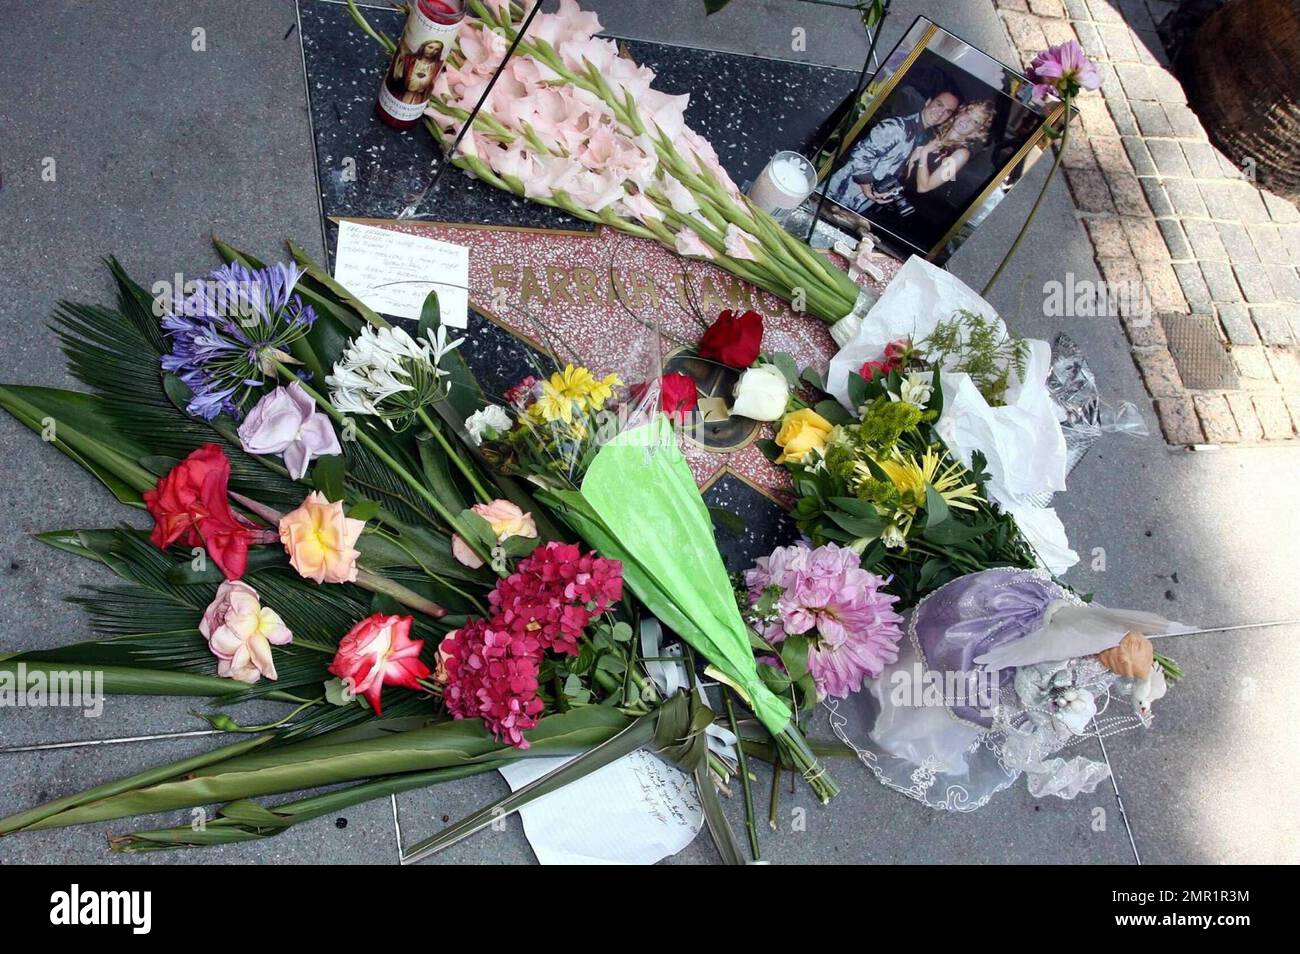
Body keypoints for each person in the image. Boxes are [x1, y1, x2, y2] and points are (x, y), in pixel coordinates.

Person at [825, 88, 960, 213]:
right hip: (838, 193)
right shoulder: (898, 127)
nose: (941, 113)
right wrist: (868, 190)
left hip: (858, 203)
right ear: (928, 102)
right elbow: (861, 155)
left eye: (948, 111)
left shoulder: (922, 138)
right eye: (939, 104)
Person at [902, 99, 995, 200]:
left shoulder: (961, 154)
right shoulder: (936, 133)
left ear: (977, 131)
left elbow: (924, 187)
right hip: (897, 187)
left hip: (913, 201)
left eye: (975, 122)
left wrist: (924, 152)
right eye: (969, 113)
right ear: (960, 112)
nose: (967, 121)